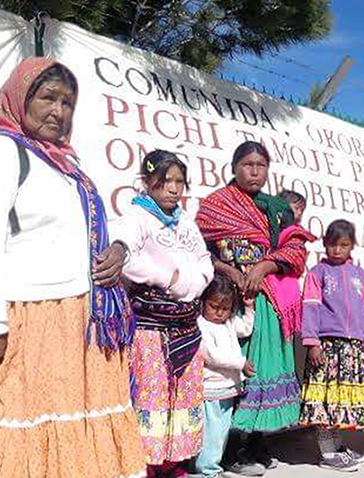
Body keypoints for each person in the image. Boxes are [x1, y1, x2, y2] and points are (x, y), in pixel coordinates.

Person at [0, 58, 145, 477]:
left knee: (65, 440)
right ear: (20, 97)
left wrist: (117, 250)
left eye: (68, 103)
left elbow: (80, 228)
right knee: (17, 433)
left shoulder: (64, 163)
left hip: (75, 323)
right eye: (48, 98)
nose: (59, 111)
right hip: (27, 323)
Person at [195, 141, 315, 473]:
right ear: (233, 167)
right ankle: (231, 450)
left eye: (261, 165)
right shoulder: (214, 206)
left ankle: (258, 442)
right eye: (247, 164)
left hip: (267, 300)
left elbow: (295, 251)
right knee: (232, 372)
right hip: (228, 301)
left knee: (263, 370)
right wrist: (231, 271)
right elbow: (201, 251)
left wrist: (264, 267)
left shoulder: (278, 208)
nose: (254, 171)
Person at [111, 150, 214, 477]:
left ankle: (173, 463)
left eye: (179, 182)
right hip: (151, 330)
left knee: (181, 393)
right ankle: (147, 464)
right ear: (146, 182)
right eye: (164, 181)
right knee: (151, 393)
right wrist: (170, 278)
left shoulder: (185, 221)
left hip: (185, 325)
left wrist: (194, 283)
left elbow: (204, 261)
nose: (172, 188)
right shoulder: (137, 217)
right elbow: (126, 255)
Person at [299, 219, 364, 472]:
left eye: (343, 245)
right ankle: (328, 454)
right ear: (325, 244)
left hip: (351, 349)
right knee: (324, 400)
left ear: (352, 246)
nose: (337, 250)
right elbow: (311, 308)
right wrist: (312, 343)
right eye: (332, 245)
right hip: (326, 346)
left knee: (340, 401)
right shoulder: (317, 274)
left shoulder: (361, 276)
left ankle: (336, 446)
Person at [194, 275, 257, 478]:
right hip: (211, 389)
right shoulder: (202, 325)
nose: (220, 313)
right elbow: (211, 355)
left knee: (221, 432)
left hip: (227, 388)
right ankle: (207, 470)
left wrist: (248, 308)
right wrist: (240, 363)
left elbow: (246, 328)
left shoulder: (228, 323)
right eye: (214, 306)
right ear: (203, 302)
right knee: (211, 433)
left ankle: (212, 466)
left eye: (225, 308)